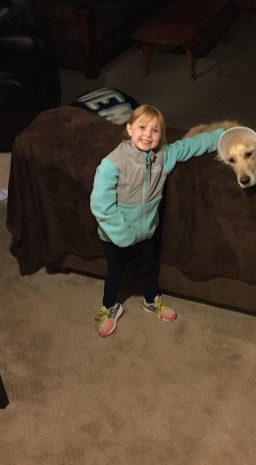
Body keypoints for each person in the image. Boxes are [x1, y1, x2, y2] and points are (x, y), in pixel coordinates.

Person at [90, 104, 224, 337]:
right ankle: (109, 306)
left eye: (155, 130)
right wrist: (123, 235)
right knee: (114, 273)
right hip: (115, 236)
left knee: (147, 270)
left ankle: (151, 301)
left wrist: (222, 136)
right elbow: (101, 204)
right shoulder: (112, 163)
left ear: (161, 135)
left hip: (146, 233)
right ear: (129, 129)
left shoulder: (163, 155)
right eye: (142, 127)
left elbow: (191, 145)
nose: (148, 134)